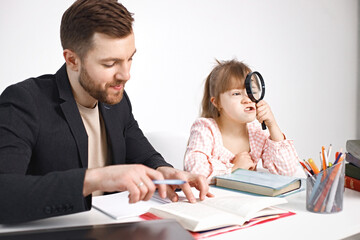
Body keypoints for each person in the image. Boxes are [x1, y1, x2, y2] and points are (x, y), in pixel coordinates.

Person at [0, 0, 212, 224]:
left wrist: (165, 172)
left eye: (130, 58)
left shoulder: (115, 99)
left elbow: (143, 154)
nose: (125, 74)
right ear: (72, 60)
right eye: (111, 63)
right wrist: (97, 178)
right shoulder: (24, 101)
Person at [184, 59, 298, 184]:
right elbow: (194, 172)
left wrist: (272, 125)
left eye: (252, 92)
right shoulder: (205, 129)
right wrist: (233, 168)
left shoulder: (256, 133)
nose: (247, 99)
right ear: (216, 102)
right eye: (237, 93)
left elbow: (287, 171)